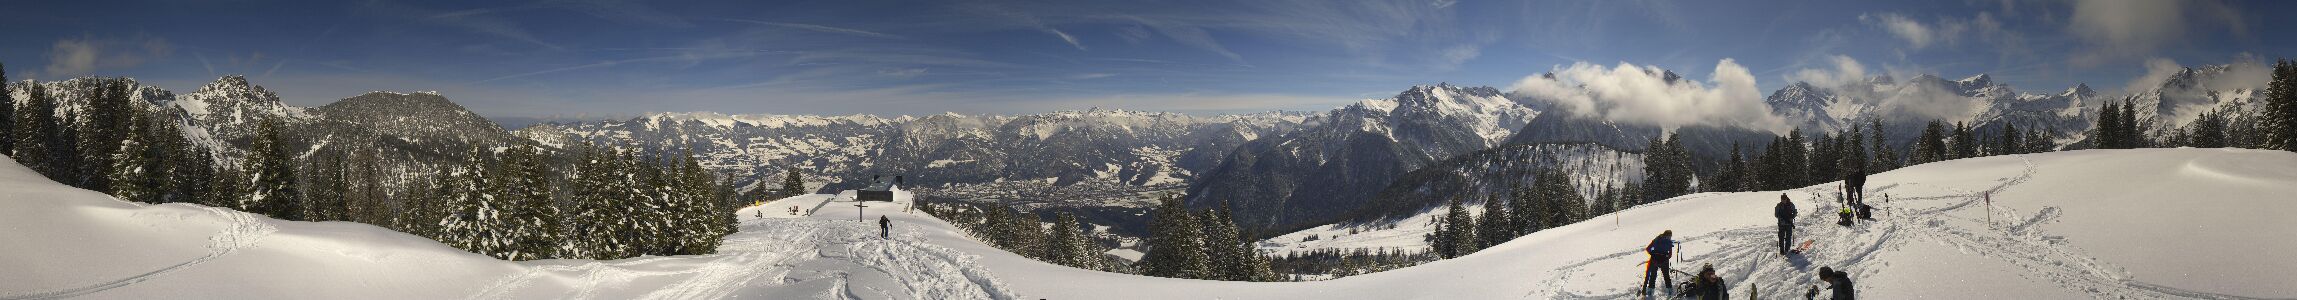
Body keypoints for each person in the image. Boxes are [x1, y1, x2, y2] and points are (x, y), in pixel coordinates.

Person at [1643, 230, 1678, 296]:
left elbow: (1648, 249)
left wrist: (1653, 254)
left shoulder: (1657, 239)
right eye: (1670, 236)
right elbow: (1670, 254)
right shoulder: (1669, 242)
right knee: (1666, 276)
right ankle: (1670, 291)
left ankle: (1650, 291)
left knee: (1653, 275)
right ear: (1669, 235)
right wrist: (1665, 258)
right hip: (1664, 261)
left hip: (1654, 260)